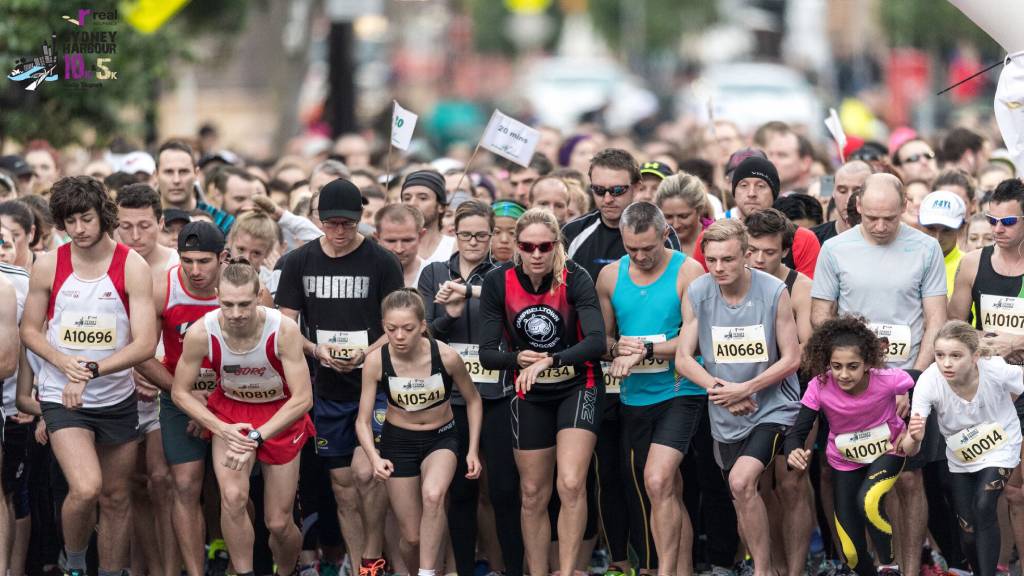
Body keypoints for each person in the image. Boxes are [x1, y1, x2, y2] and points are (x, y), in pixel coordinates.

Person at [811, 173, 949, 576]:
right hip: (854, 384)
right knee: (858, 476)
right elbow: (821, 316)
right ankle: (875, 566)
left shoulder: (925, 247)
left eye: (889, 218)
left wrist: (917, 378)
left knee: (909, 479)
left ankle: (910, 567)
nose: (880, 226)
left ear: (905, 206)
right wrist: (846, 366)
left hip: (909, 376)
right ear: (858, 207)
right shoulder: (835, 249)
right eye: (871, 217)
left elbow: (935, 317)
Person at [19, 176, 157, 576]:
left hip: (116, 397)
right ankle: (76, 562)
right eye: (69, 221)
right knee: (85, 488)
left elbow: (145, 343)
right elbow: (29, 330)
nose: (78, 229)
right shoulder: (50, 264)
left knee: (115, 497)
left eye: (86, 219)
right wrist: (63, 362)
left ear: (103, 215)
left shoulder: (132, 266)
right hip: (63, 396)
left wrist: (94, 369)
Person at [275, 178, 404, 576]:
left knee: (368, 473)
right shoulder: (299, 261)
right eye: (332, 223)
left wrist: (369, 352)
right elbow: (285, 325)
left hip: (375, 385)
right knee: (343, 487)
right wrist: (316, 351)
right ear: (319, 219)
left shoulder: (382, 261)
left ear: (360, 218)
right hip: (326, 387)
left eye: (348, 223)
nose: (340, 231)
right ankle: (360, 561)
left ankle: (372, 558)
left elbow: (399, 323)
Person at [562, 148, 679, 576]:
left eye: (617, 190)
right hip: (595, 373)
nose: (608, 199)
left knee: (647, 475)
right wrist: (607, 346)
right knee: (605, 472)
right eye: (599, 190)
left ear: (636, 187)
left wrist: (646, 349)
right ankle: (617, 560)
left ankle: (652, 562)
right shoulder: (574, 234)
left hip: (656, 379)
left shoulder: (658, 232)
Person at [479, 208, 605, 576]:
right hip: (530, 391)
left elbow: (597, 341)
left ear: (557, 246)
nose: (536, 255)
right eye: (528, 247)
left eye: (545, 247)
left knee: (571, 482)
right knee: (533, 492)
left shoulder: (575, 277)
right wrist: (516, 358)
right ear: (517, 247)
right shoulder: (498, 281)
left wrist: (551, 360)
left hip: (578, 384)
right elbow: (487, 354)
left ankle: (566, 570)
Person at [172, 260, 315, 576]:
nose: (236, 313)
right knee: (233, 498)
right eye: (228, 304)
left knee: (278, 522)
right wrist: (222, 428)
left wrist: (257, 436)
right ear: (216, 296)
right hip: (231, 413)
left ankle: (287, 571)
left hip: (280, 414)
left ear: (260, 295)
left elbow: (303, 398)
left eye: (244, 304)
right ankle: (244, 572)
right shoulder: (201, 332)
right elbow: (179, 392)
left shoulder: (283, 330)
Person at [675, 219, 802, 576]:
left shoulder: (773, 291)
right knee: (743, 495)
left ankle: (761, 570)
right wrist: (724, 392)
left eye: (728, 259)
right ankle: (765, 565)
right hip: (726, 410)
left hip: (772, 406)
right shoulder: (699, 291)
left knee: (741, 481)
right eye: (711, 260)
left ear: (746, 255)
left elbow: (792, 358)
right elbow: (684, 358)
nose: (718, 268)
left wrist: (747, 388)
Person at [595, 202, 705, 576]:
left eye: (648, 248)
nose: (640, 256)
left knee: (657, 480)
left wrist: (644, 350)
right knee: (665, 488)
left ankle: (664, 570)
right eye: (632, 249)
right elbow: (602, 339)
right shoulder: (609, 276)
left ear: (665, 234)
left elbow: (695, 341)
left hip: (680, 390)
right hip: (634, 395)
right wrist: (616, 349)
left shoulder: (688, 271)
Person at [416, 201, 520, 576]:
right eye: (466, 234)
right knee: (460, 491)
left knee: (504, 490)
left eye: (481, 234)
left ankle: (512, 569)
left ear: (492, 236)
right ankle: (462, 568)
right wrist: (450, 315)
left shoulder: (506, 274)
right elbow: (420, 337)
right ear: (453, 234)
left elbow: (519, 325)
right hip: (452, 399)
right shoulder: (433, 274)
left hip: (498, 396)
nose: (473, 241)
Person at [357, 289, 482, 576]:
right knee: (412, 537)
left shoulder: (447, 356)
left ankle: (427, 573)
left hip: (441, 438)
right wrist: (374, 457)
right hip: (398, 442)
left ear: (423, 326)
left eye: (408, 328)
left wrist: (473, 450)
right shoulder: (376, 361)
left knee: (433, 495)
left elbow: (474, 400)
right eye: (391, 329)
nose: (399, 336)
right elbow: (362, 420)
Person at [784, 316, 911, 576]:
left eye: (853, 366)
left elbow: (922, 387)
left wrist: (910, 419)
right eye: (836, 366)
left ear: (868, 363)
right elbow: (798, 430)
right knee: (851, 553)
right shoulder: (819, 385)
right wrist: (793, 449)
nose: (843, 374)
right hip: (845, 462)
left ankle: (888, 566)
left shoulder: (888, 378)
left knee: (869, 500)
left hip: (888, 451)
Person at [134, 221, 226, 576]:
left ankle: (238, 564)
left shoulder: (242, 290)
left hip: (233, 397)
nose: (195, 270)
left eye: (204, 261)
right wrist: (185, 396)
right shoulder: (164, 287)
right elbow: (141, 354)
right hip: (179, 393)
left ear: (222, 258)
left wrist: (212, 403)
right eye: (187, 261)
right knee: (184, 485)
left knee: (235, 490)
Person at [905, 321, 1023, 576]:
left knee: (983, 505)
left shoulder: (995, 368)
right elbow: (910, 450)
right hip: (962, 457)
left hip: (1001, 445)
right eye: (940, 355)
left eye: (956, 356)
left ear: (975, 356)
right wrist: (914, 437)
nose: (946, 363)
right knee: (968, 534)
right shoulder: (929, 381)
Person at [114, 184, 180, 576]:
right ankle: (150, 567)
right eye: (126, 226)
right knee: (134, 484)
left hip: (164, 388)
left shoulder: (177, 266)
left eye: (145, 225)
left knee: (161, 480)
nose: (135, 235)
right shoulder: (106, 264)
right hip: (117, 387)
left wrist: (160, 374)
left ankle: (170, 569)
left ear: (161, 222)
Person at [691, 157, 821, 279]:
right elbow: (700, 288)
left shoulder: (802, 239)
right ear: (734, 192)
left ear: (775, 193)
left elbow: (805, 290)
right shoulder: (709, 238)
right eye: (743, 185)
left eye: (761, 186)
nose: (751, 193)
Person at [745, 209, 813, 343]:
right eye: (752, 250)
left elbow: (808, 346)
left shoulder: (803, 289)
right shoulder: (730, 278)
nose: (759, 259)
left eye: (769, 252)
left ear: (785, 251)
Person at [918, 191, 967, 298]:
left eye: (946, 230)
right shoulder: (905, 261)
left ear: (962, 228)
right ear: (919, 224)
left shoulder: (969, 267)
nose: (937, 237)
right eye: (931, 228)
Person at [401, 170, 455, 265]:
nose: (412, 203)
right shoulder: (392, 247)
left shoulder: (455, 248)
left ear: (441, 207)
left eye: (423, 198)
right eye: (407, 198)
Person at [654, 172, 712, 258]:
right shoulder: (652, 243)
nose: (676, 225)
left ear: (699, 209)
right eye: (668, 217)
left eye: (683, 216)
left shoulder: (718, 238)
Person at [376, 204, 428, 288]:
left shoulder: (435, 276)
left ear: (421, 235)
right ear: (377, 238)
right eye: (391, 241)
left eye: (407, 240)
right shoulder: (365, 274)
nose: (399, 249)